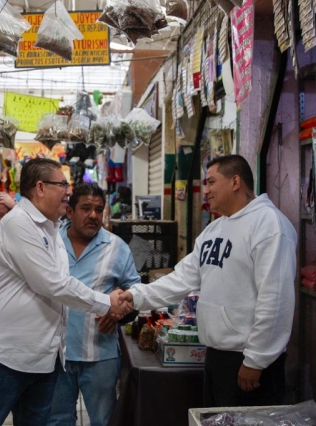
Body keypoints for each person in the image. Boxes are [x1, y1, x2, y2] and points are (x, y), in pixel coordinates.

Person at [0, 158, 133, 426]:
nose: (68, 191)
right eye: (62, 184)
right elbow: (53, 284)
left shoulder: (51, 228)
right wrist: (105, 302)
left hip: (43, 357)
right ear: (40, 187)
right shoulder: (19, 224)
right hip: (4, 356)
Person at [119, 154, 297, 407]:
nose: (206, 190)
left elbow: (276, 298)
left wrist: (256, 360)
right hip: (215, 355)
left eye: (211, 182)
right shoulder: (213, 230)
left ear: (235, 181)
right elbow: (181, 279)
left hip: (248, 359)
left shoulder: (269, 225)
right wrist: (136, 295)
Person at [47, 183, 140, 426]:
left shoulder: (116, 247)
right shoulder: (50, 242)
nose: (93, 216)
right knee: (56, 420)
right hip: (55, 354)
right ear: (70, 211)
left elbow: (136, 291)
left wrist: (119, 310)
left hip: (99, 353)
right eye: (86, 208)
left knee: (103, 420)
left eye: (99, 210)